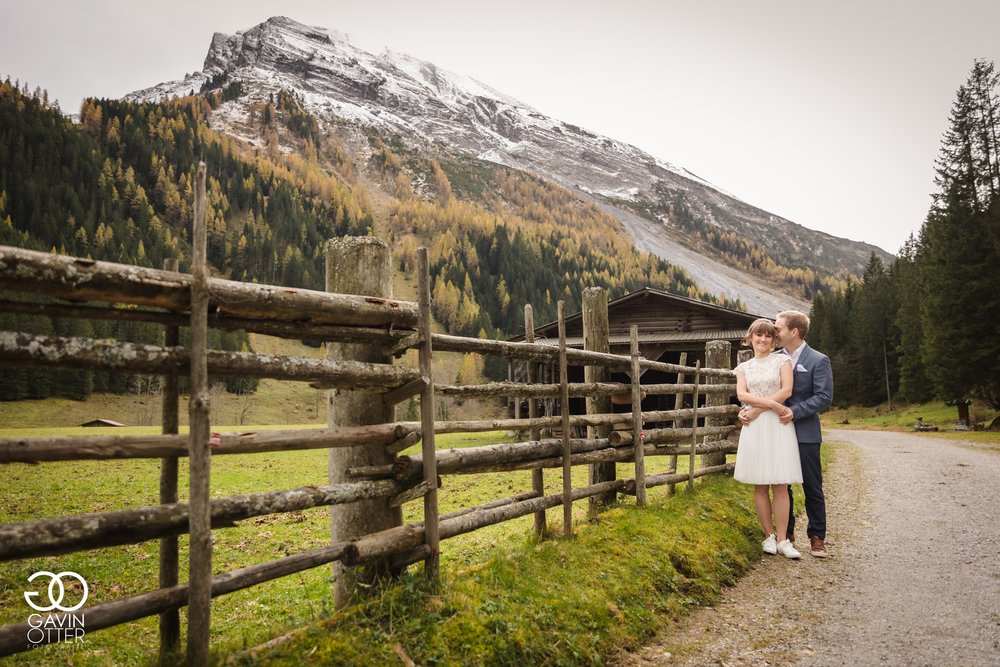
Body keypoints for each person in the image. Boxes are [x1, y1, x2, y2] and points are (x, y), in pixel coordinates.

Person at [740, 310, 833, 558]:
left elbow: (824, 397)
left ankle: (817, 537)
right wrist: (745, 410)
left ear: (794, 331)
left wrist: (793, 411)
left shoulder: (817, 359)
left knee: (812, 486)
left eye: (778, 328)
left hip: (803, 430)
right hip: (775, 428)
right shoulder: (775, 358)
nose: (773, 332)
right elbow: (758, 387)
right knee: (782, 484)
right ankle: (786, 535)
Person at [733, 318, 803, 560]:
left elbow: (786, 390)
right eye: (758, 335)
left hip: (777, 424)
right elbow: (742, 393)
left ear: (774, 340)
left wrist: (759, 408)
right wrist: (771, 404)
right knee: (760, 484)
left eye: (767, 336)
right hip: (755, 427)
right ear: (750, 337)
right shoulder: (744, 367)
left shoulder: (782, 361)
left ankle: (784, 539)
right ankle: (768, 536)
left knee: (780, 483)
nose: (762, 339)